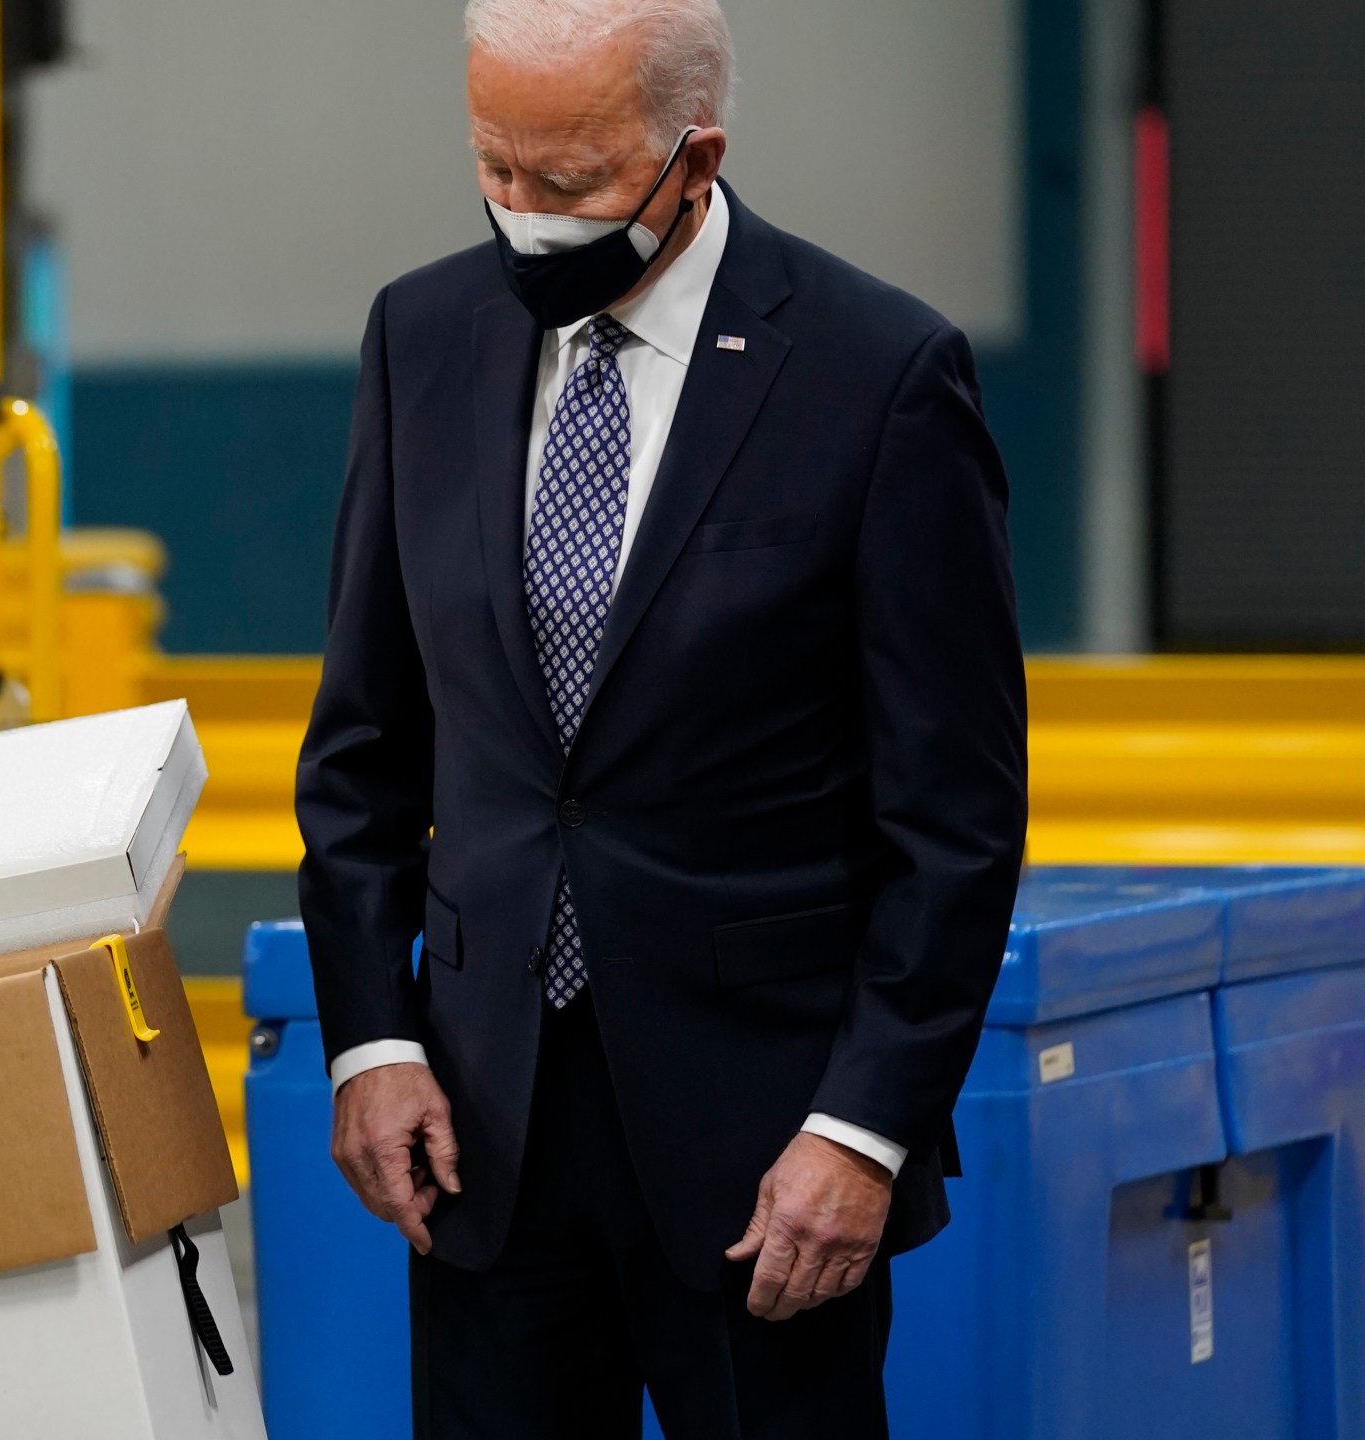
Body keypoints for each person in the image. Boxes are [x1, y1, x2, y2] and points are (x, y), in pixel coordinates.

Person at [295, 0, 1028, 1433]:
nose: (523, 215)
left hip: (766, 1152)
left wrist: (864, 1131)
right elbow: (364, 749)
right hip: (483, 1139)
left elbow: (951, 818)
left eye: (566, 184)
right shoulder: (422, 337)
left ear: (695, 157)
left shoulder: (876, 376)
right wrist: (372, 1046)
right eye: (494, 167)